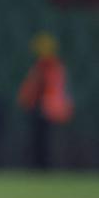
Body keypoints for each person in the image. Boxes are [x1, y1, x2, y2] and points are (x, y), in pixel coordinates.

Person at [17, 32, 73, 169]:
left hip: (50, 111)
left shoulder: (53, 68)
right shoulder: (41, 67)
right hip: (40, 109)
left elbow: (54, 89)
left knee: (48, 142)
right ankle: (40, 167)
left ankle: (48, 167)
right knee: (39, 141)